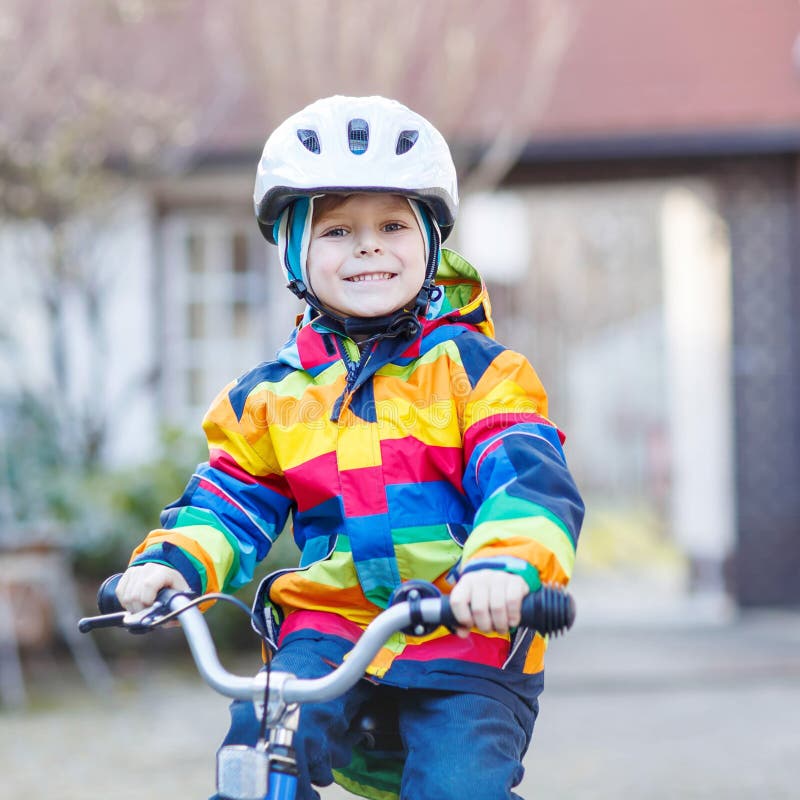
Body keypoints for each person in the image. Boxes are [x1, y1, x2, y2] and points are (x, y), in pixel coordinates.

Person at [116, 95, 584, 800]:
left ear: (430, 242)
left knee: (458, 787)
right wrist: (171, 564)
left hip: (462, 631)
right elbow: (229, 499)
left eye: (393, 224)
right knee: (258, 743)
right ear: (295, 253)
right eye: (337, 230)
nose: (368, 246)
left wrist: (504, 566)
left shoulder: (479, 372)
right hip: (329, 629)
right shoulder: (270, 395)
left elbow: (525, 478)